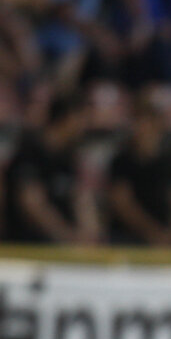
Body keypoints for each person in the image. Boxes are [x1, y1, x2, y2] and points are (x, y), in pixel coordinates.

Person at [3, 90, 100, 244]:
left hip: (62, 246)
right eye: (83, 118)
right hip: (28, 247)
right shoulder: (30, 151)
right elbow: (32, 204)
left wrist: (90, 236)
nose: (87, 126)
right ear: (69, 118)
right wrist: (69, 237)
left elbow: (81, 198)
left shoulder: (69, 156)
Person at [105, 95, 171, 246]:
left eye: (145, 122)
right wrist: (153, 233)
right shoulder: (122, 161)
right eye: (137, 121)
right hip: (128, 238)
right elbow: (122, 204)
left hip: (167, 238)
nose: (140, 127)